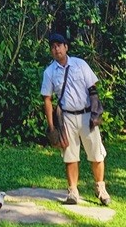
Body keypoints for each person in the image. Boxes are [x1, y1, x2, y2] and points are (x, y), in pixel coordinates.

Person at [40, 31, 110, 206]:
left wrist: (96, 114)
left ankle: (101, 189)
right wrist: (51, 126)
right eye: (53, 47)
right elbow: (47, 100)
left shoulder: (80, 64)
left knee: (96, 153)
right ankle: (73, 192)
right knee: (70, 156)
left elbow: (92, 89)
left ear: (66, 47)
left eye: (59, 46)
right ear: (51, 51)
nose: (56, 50)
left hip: (87, 116)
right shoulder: (49, 72)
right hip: (67, 118)